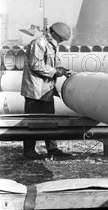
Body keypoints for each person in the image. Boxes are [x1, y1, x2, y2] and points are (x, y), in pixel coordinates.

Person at [20, 22, 74, 160]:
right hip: (35, 90)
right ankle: (29, 151)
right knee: (32, 121)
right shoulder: (39, 43)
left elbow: (48, 64)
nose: (61, 41)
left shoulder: (51, 45)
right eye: (61, 39)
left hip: (46, 89)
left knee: (50, 120)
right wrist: (56, 71)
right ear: (54, 34)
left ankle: (53, 150)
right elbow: (36, 65)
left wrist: (60, 69)